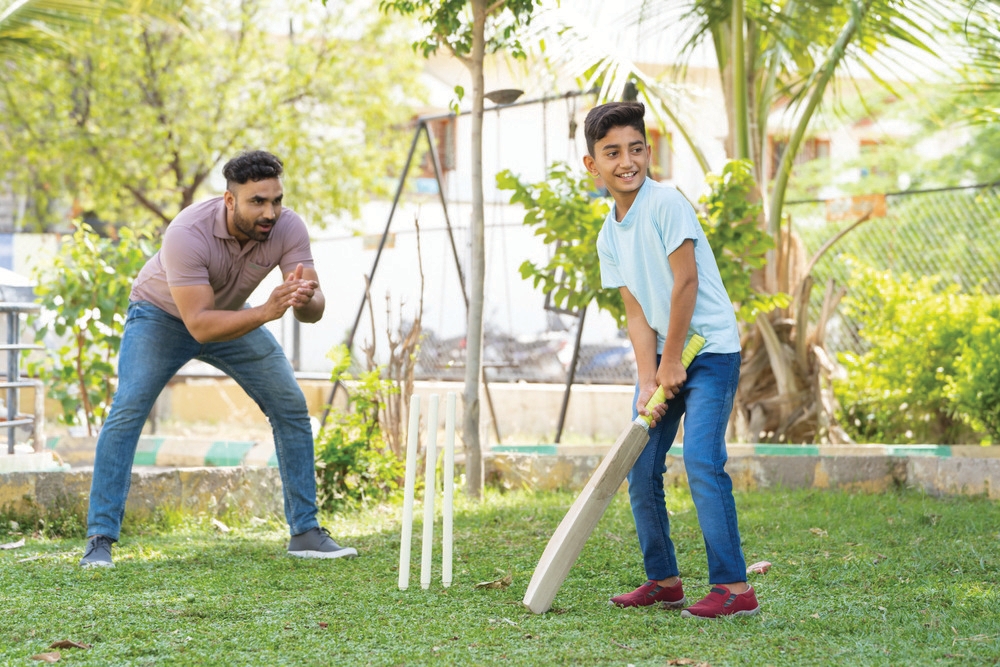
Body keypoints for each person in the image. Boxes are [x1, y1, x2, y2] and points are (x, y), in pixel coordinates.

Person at [80, 150, 357, 568]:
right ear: (230, 200)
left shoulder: (288, 227)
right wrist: (266, 311)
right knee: (128, 409)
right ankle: (100, 538)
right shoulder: (187, 232)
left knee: (290, 404)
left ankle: (305, 531)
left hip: (230, 317)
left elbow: (312, 312)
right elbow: (200, 325)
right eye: (257, 202)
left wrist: (305, 297)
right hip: (161, 317)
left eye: (276, 200)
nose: (270, 212)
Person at [584, 102, 758, 618]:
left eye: (635, 149)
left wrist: (673, 360)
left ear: (648, 152)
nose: (626, 161)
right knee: (641, 465)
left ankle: (735, 587)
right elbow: (636, 312)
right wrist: (647, 380)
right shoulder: (608, 235)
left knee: (702, 459)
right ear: (592, 165)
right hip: (666, 357)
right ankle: (664, 580)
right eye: (612, 153)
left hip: (711, 349)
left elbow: (686, 282)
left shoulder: (666, 203)